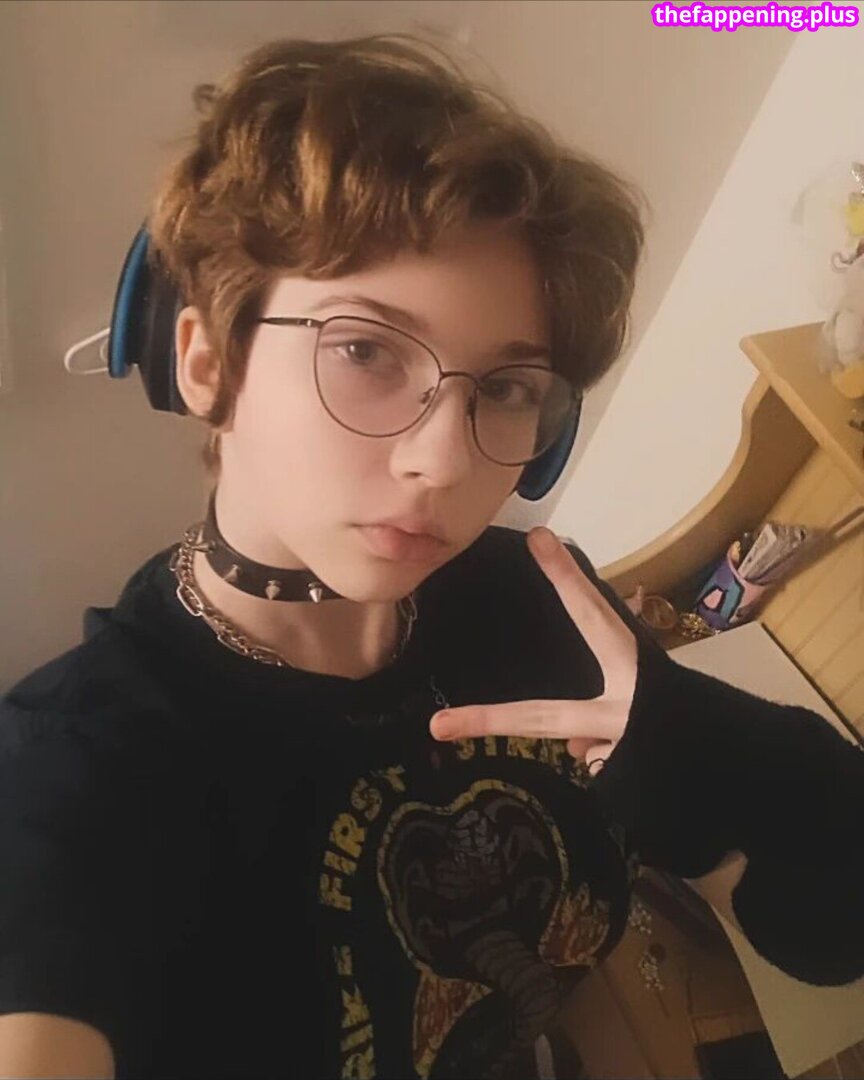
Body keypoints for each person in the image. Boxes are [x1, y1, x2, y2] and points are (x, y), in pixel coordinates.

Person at [0, 35, 862, 1080]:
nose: (445, 461)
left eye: (505, 387)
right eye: (365, 350)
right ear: (208, 361)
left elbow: (829, 938)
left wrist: (712, 750)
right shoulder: (81, 770)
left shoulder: (531, 601)